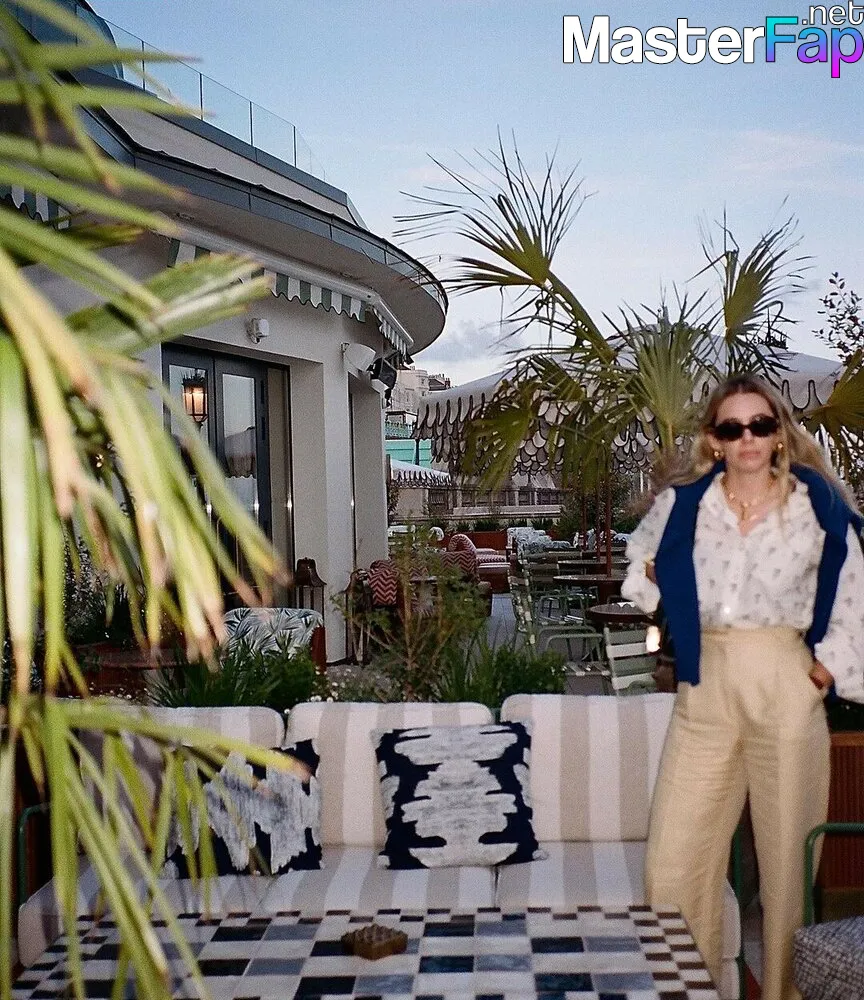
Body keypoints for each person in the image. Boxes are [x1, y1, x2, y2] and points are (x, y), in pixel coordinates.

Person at [621, 373, 864, 1000]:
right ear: (714, 439)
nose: (748, 437)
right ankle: (690, 989)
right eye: (732, 427)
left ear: (779, 433)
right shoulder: (686, 505)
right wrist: (658, 579)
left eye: (760, 424)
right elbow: (639, 569)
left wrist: (823, 672)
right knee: (671, 863)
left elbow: (856, 593)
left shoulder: (815, 505)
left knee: (786, 874)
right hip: (705, 686)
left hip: (784, 678)